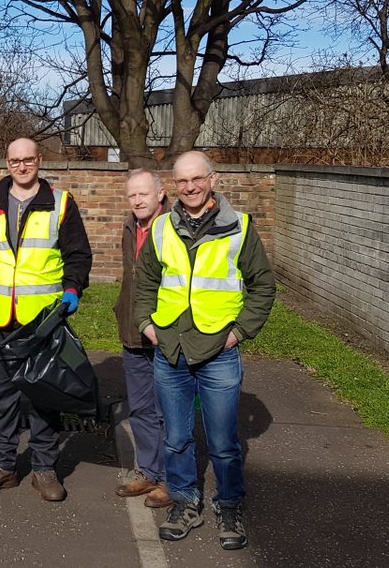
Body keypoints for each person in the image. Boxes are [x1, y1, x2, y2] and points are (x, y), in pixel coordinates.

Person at [133, 151, 275, 550]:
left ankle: (229, 505)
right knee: (176, 439)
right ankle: (184, 503)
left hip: (219, 351)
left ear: (213, 180)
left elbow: (262, 286)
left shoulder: (239, 227)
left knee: (224, 442)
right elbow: (144, 282)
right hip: (170, 351)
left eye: (197, 179)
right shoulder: (162, 228)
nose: (190, 187)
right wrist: (147, 326)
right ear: (174, 185)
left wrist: (240, 332)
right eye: (182, 181)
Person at [0, 138, 92, 502]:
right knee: (2, 393)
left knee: (43, 393)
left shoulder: (61, 203)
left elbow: (78, 255)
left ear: (39, 160)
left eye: (27, 160)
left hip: (42, 318)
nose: (21, 167)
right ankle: (4, 465)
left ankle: (44, 468)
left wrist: (73, 290)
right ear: (6, 163)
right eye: (14, 161)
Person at [113, 169, 172, 508]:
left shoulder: (173, 228)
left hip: (164, 334)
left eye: (143, 194)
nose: (137, 200)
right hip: (132, 331)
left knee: (168, 411)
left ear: (160, 195)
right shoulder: (129, 227)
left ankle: (170, 478)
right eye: (132, 195)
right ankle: (148, 470)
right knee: (140, 408)